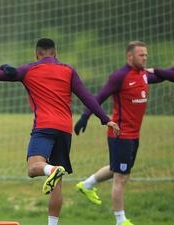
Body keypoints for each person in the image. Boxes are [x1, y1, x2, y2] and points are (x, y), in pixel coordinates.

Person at [0, 38, 120, 225]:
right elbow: (87, 97)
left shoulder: (29, 69)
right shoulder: (68, 71)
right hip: (65, 130)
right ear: (55, 53)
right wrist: (106, 119)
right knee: (57, 184)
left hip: (44, 127)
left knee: (34, 168)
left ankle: (51, 169)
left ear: (37, 54)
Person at [74, 41, 174, 225]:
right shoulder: (119, 76)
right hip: (120, 134)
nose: (145, 58)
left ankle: (86, 185)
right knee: (121, 177)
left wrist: (157, 70)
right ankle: (121, 221)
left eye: (146, 55)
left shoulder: (143, 74)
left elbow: (168, 75)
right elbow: (100, 97)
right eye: (141, 55)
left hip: (134, 135)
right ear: (130, 57)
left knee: (118, 170)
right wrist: (85, 116)